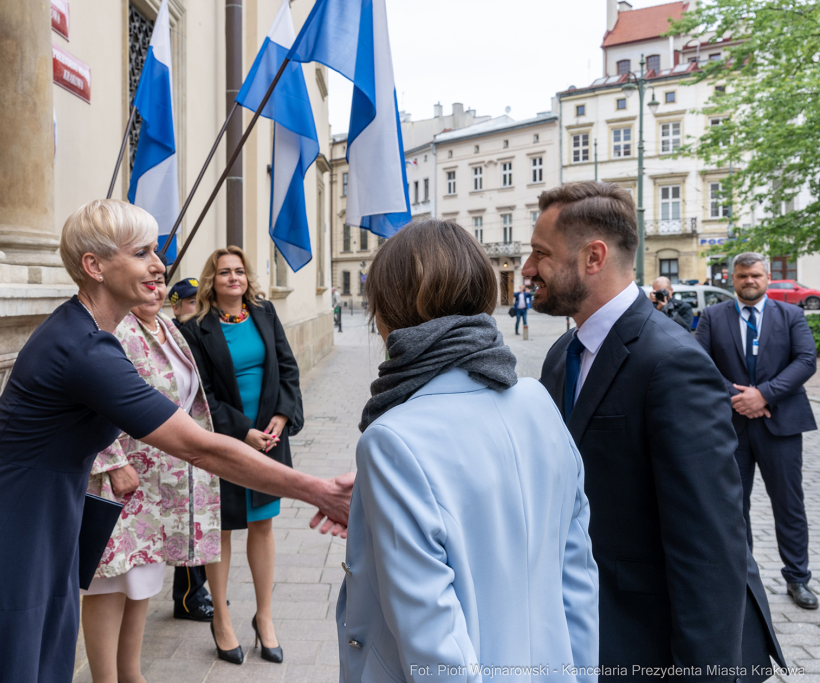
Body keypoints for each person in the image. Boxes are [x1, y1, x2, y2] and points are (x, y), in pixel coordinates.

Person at [0, 200, 351, 683]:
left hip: (44, 530)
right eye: (141, 252)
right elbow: (198, 446)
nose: (158, 265)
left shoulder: (90, 335)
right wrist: (317, 490)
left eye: (155, 251)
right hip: (8, 538)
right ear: (94, 266)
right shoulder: (82, 348)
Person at [527, 182, 784, 681]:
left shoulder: (672, 361)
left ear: (593, 257)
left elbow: (710, 543)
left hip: (658, 642)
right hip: (594, 628)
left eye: (540, 253)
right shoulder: (563, 356)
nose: (528, 269)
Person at [338, 218, 598, 683]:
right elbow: (576, 577)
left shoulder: (393, 439)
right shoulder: (538, 402)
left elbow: (435, 644)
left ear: (388, 310)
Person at [80, 273, 219, 682]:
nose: (155, 290)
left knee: (141, 579)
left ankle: (131, 674)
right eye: (145, 283)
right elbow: (86, 400)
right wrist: (112, 461)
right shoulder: (115, 329)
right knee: (110, 583)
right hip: (123, 479)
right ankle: (106, 678)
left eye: (160, 284)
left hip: (162, 481)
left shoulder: (168, 327)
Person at [181, 246, 302, 665]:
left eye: (239, 271)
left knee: (263, 525)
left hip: (269, 438)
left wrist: (282, 419)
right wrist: (240, 432)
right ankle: (223, 620)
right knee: (225, 528)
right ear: (212, 281)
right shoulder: (197, 328)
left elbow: (288, 368)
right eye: (223, 272)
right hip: (227, 440)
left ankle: (264, 618)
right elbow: (201, 393)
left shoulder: (266, 314)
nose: (233, 278)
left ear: (247, 278)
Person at [695, 252, 819, 609]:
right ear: (731, 279)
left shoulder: (791, 315)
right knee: (733, 506)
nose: (749, 281)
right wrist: (739, 398)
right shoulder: (712, 316)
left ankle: (797, 578)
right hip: (729, 426)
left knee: (789, 505)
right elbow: (699, 363)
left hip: (779, 425)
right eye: (742, 276)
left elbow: (805, 361)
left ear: (766, 278)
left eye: (756, 275)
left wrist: (764, 394)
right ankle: (743, 580)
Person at [164, 276, 215, 622]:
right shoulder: (174, 333)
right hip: (176, 439)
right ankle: (188, 598)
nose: (197, 307)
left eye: (200, 301)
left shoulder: (191, 334)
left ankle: (199, 591)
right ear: (177, 304)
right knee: (187, 521)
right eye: (191, 302)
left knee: (197, 521)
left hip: (197, 435)